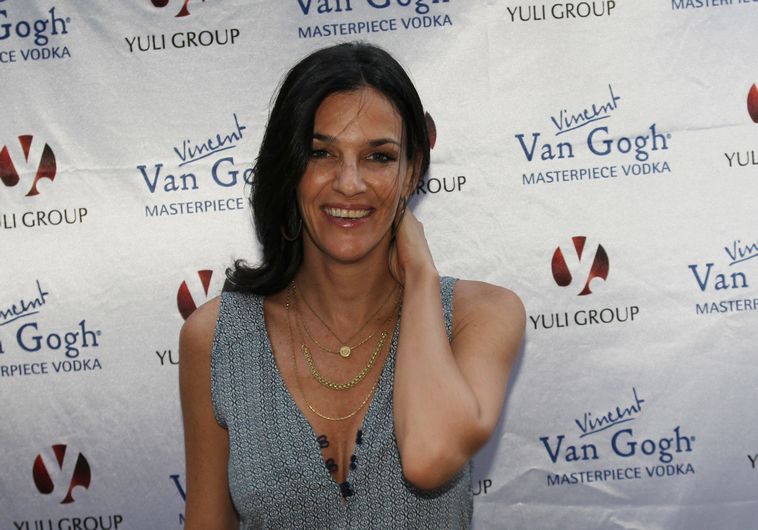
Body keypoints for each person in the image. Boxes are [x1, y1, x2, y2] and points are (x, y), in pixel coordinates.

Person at [179, 42, 525, 529]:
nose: (349, 182)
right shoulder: (215, 338)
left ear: (412, 171)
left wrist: (421, 278)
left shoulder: (480, 315)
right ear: (289, 167)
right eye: (321, 153)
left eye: (379, 157)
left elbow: (429, 457)